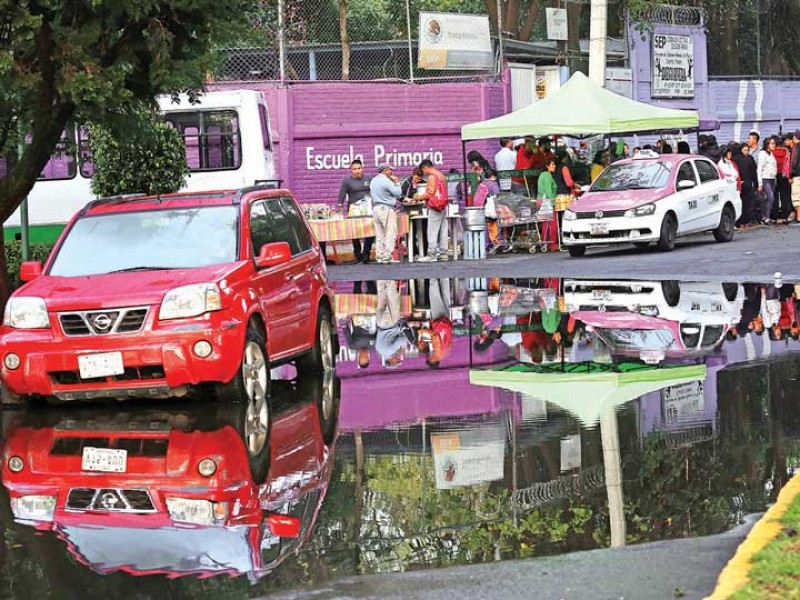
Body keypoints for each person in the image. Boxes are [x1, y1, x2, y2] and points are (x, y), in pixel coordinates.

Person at [337, 159, 374, 263]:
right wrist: (339, 207)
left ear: (362, 168)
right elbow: (341, 195)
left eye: (359, 168)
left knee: (370, 231)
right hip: (353, 209)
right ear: (351, 170)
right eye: (355, 169)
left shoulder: (368, 179)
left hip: (367, 209)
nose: (357, 171)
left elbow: (375, 192)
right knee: (354, 232)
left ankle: (366, 253)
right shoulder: (347, 181)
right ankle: (358, 255)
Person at [414, 159, 450, 262]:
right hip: (443, 206)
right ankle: (444, 254)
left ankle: (432, 254)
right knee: (443, 230)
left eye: (423, 170)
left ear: (425, 167)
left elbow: (430, 193)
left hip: (435, 207)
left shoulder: (431, 177)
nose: (423, 173)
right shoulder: (441, 175)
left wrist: (418, 197)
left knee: (432, 231)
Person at [375, 279, 415, 368]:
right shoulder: (380, 351)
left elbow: (402, 339)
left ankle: (390, 275)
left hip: (390, 323)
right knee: (382, 294)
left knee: (392, 297)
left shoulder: (390, 351)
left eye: (397, 360)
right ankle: (380, 276)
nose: (399, 358)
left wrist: (402, 348)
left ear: (392, 361)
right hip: (380, 322)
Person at [370, 163, 404, 264]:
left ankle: (380, 256)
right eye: (390, 170)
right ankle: (387, 256)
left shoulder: (373, 180)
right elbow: (398, 193)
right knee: (390, 233)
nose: (391, 172)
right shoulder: (386, 180)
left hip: (375, 209)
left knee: (379, 234)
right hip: (386, 209)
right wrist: (397, 182)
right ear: (385, 170)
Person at [473, 168, 501, 248]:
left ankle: (485, 244)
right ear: (492, 176)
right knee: (493, 225)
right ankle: (495, 242)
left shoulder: (482, 184)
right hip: (491, 209)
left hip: (482, 208)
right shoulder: (493, 184)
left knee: (485, 226)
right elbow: (497, 196)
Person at [733, 143, 759, 227]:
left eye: (747, 150)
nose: (746, 152)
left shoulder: (733, 160)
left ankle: (740, 221)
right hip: (746, 183)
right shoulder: (748, 159)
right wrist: (756, 183)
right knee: (746, 203)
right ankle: (745, 221)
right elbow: (753, 172)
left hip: (740, 184)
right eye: (744, 150)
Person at [757, 136, 778, 225]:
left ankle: (766, 216)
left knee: (770, 199)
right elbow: (759, 168)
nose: (774, 145)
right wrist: (760, 183)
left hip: (772, 178)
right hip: (765, 178)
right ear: (767, 145)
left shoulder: (771, 154)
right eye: (772, 143)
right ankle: (765, 217)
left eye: (774, 143)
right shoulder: (762, 154)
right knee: (770, 197)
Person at [773, 134, 793, 223]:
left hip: (774, 175)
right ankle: (786, 215)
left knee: (775, 196)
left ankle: (775, 216)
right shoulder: (787, 152)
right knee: (785, 196)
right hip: (785, 175)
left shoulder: (772, 152)